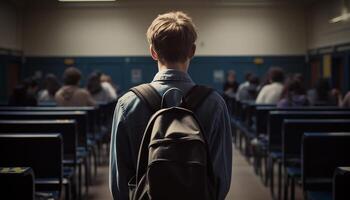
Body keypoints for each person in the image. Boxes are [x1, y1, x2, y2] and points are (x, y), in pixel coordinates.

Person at [109, 11, 232, 200]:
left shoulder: (127, 103)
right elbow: (221, 178)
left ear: (153, 52)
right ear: (192, 50)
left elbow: (119, 180)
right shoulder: (214, 103)